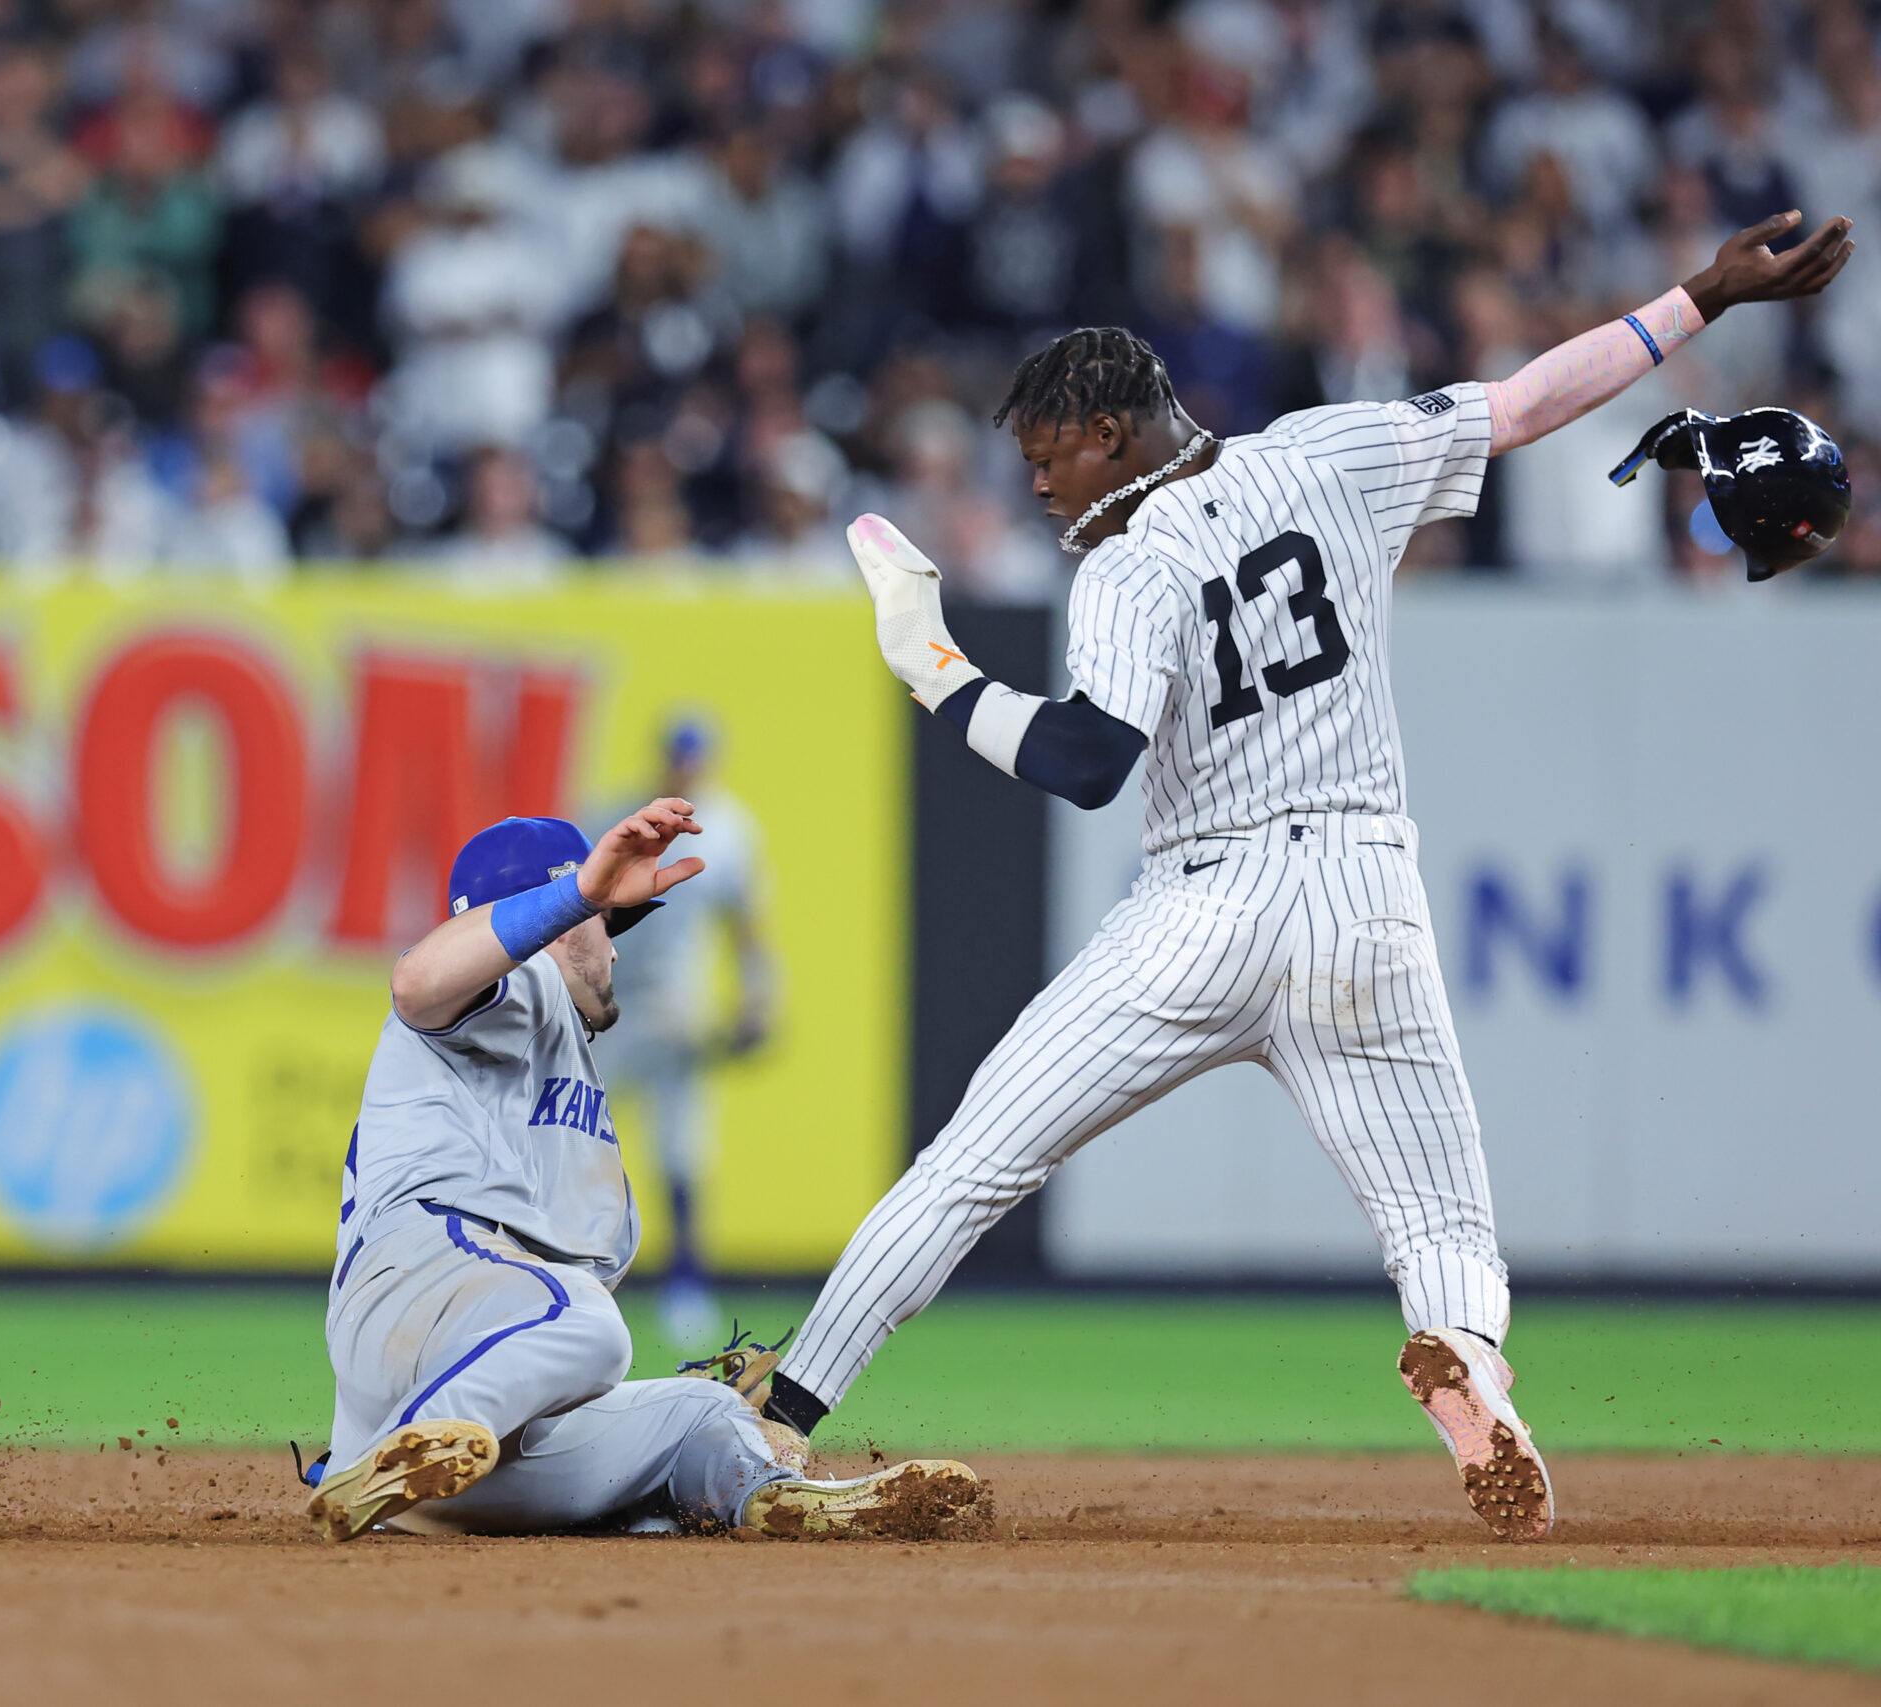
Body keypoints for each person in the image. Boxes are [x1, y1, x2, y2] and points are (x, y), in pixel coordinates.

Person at [748, 210, 1856, 1544]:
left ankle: (779, 1411)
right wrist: (1701, 298)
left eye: (1049, 454)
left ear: (1113, 431)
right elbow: (1522, 403)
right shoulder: (1336, 449)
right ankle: (1468, 1367)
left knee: (969, 1166)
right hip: (1359, 895)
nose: (1041, 484)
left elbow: (1088, 760)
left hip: (1197, 910)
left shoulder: (1128, 562)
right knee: (1440, 1214)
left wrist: (934, 668)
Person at [306, 806, 978, 1542]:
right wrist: (578, 895)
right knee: (590, 1324)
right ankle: (399, 1449)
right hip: (420, 1291)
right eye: (607, 925)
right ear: (559, 919)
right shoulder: (522, 984)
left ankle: (779, 1498)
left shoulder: (571, 1081)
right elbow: (416, 980)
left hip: (476, 1397)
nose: (619, 952)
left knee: (702, 1412)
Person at [593, 723, 777, 1346]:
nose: (685, 769)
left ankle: (686, 1284)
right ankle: (578, 1278)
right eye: (678, 759)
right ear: (664, 761)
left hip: (680, 1010)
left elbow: (749, 923)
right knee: (580, 1136)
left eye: (694, 760)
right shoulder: (616, 813)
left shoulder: (730, 830)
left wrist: (760, 996)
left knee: (680, 1150)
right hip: (608, 1004)